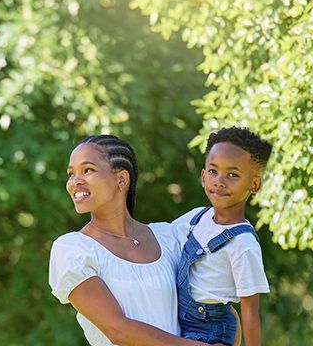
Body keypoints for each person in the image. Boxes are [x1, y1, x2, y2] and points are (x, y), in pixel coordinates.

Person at [49, 134, 219, 346]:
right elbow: (117, 329)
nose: (75, 181)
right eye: (71, 174)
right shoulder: (73, 250)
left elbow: (218, 305)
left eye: (88, 170)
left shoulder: (170, 238)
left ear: (121, 179)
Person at [173, 127, 272, 346]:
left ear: (254, 184)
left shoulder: (243, 243)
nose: (219, 181)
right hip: (179, 321)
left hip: (211, 331)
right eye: (213, 171)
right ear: (203, 177)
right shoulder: (196, 218)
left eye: (233, 175)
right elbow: (157, 239)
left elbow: (250, 309)